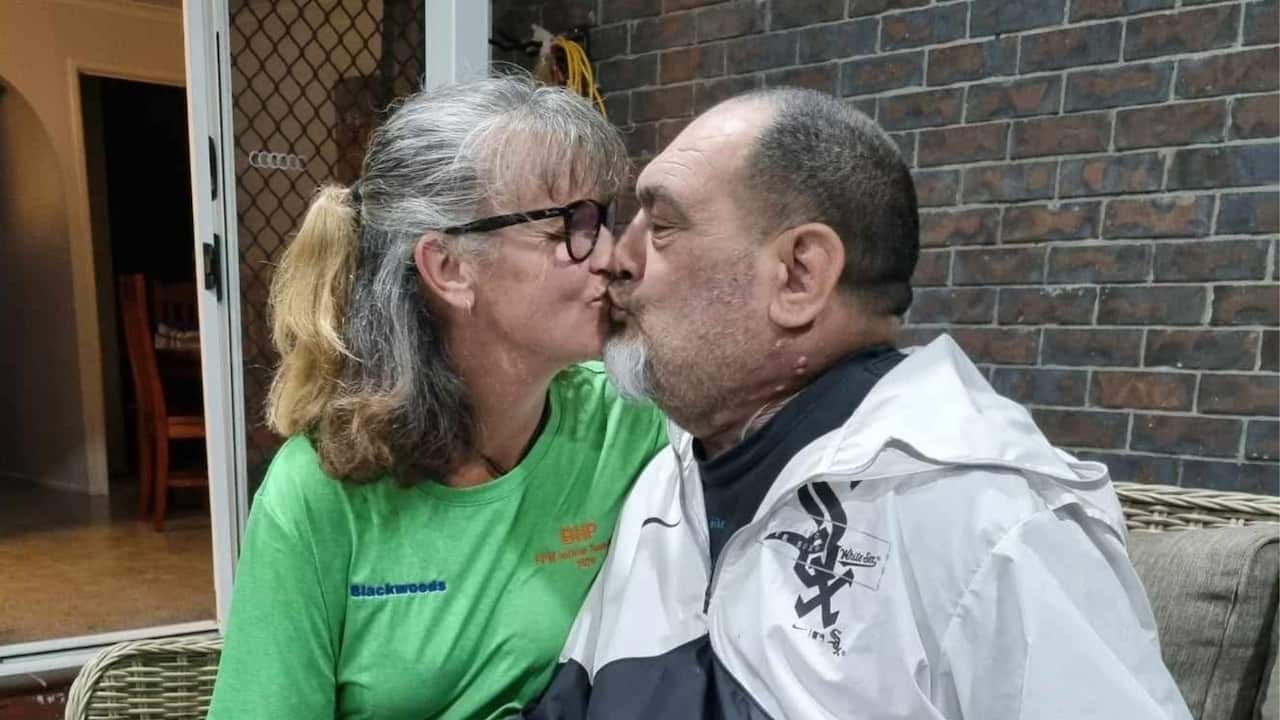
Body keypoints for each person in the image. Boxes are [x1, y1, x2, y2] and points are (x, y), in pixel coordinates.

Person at [524, 88, 1192, 719]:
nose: (617, 256)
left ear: (799, 275)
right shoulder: (665, 481)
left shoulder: (987, 521)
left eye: (662, 226)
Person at [207, 75, 667, 720]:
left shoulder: (632, 426)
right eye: (572, 226)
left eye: (603, 218)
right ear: (449, 268)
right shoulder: (320, 492)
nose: (612, 256)